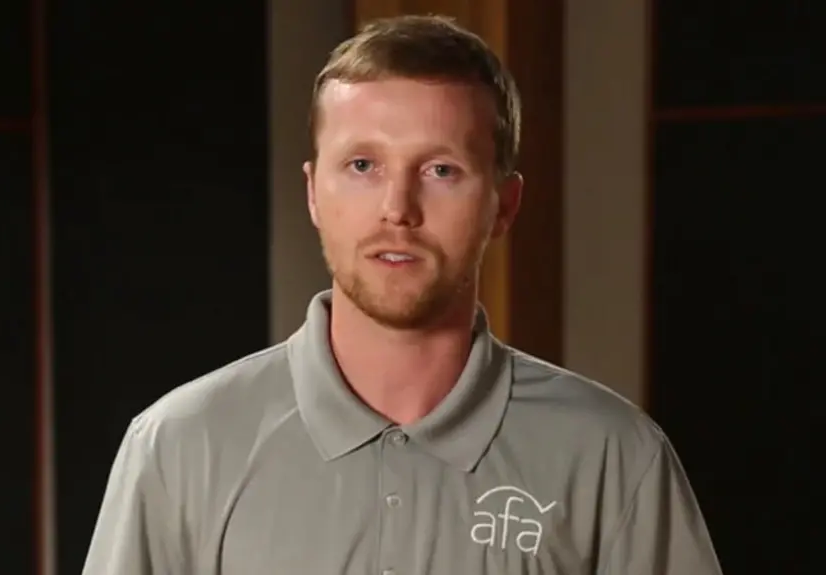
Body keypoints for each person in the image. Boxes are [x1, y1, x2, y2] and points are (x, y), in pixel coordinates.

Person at [81, 15, 722, 575]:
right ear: (313, 192)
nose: (398, 209)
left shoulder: (613, 457)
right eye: (363, 165)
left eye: (441, 170)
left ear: (504, 205)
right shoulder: (179, 446)